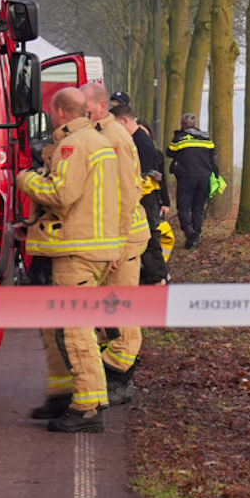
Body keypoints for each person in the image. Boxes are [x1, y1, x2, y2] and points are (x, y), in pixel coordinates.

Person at [17, 86, 124, 433]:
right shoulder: (98, 142)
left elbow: (61, 194)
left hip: (77, 249)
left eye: (51, 112)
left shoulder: (72, 145)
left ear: (61, 112)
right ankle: (70, 397)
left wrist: (25, 179)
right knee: (65, 326)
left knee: (76, 329)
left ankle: (89, 407)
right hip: (94, 245)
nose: (49, 118)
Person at [83, 82, 149, 404]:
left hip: (123, 238)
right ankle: (112, 370)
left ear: (99, 106)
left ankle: (122, 377)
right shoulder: (100, 134)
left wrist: (117, 244)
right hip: (111, 237)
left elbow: (126, 191)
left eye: (84, 103)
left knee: (121, 307)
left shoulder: (113, 137)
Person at [115, 100, 170, 287]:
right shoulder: (139, 139)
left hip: (146, 197)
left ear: (123, 121)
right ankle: (154, 274)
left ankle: (158, 275)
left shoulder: (139, 141)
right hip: (145, 195)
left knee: (149, 236)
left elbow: (143, 175)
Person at [167, 113, 219, 249]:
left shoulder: (180, 139)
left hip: (186, 177)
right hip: (204, 177)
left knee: (183, 207)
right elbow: (213, 157)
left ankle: (188, 229)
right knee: (198, 208)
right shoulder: (206, 138)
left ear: (182, 124)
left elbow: (169, 152)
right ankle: (195, 236)